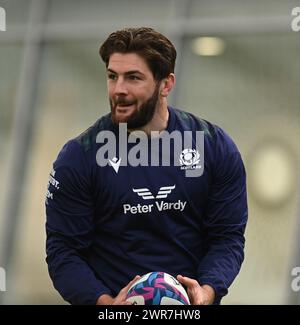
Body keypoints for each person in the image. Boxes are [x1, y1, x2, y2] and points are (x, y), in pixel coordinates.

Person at [45, 27, 248, 305]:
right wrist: (106, 304)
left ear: (166, 84)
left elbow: (227, 237)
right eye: (112, 76)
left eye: (133, 78)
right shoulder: (79, 157)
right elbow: (63, 251)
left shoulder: (213, 147)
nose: (119, 90)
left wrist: (208, 291)